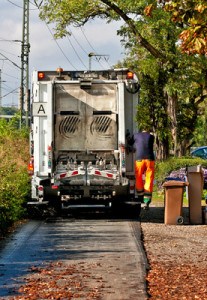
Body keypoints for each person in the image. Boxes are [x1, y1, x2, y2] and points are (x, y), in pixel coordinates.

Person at [129, 128, 155, 210]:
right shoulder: (151, 137)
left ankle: (140, 197)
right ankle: (147, 201)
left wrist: (128, 138)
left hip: (139, 159)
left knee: (139, 177)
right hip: (149, 159)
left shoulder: (136, 135)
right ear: (148, 130)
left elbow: (130, 143)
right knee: (149, 179)